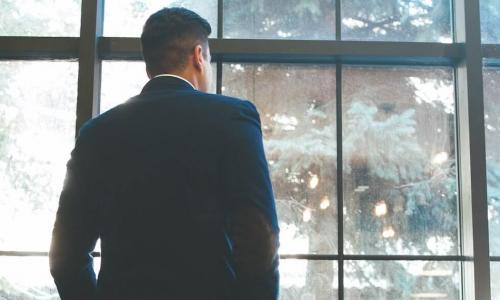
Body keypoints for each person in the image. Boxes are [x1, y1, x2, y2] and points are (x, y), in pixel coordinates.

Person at [49, 7, 279, 300]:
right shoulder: (233, 118)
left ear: (149, 65)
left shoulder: (97, 133)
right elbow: (260, 239)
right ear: (199, 56)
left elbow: (65, 257)